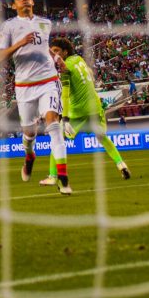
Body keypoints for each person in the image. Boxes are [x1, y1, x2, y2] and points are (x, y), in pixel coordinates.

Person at [0, 0, 70, 195]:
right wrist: (19, 44)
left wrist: (56, 58)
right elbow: (0, 57)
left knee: (53, 123)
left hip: (48, 80)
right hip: (24, 86)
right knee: (29, 133)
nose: (24, 0)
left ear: (32, 1)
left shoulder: (45, 23)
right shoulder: (8, 26)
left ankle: (63, 178)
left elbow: (44, 47)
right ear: (13, 5)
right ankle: (29, 156)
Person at [39, 38, 131, 187]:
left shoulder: (65, 68)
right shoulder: (79, 59)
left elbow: (65, 95)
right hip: (95, 107)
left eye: (56, 51)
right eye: (53, 51)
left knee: (57, 139)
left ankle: (53, 176)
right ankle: (121, 165)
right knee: (102, 137)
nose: (54, 54)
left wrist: (66, 118)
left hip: (78, 111)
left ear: (65, 52)